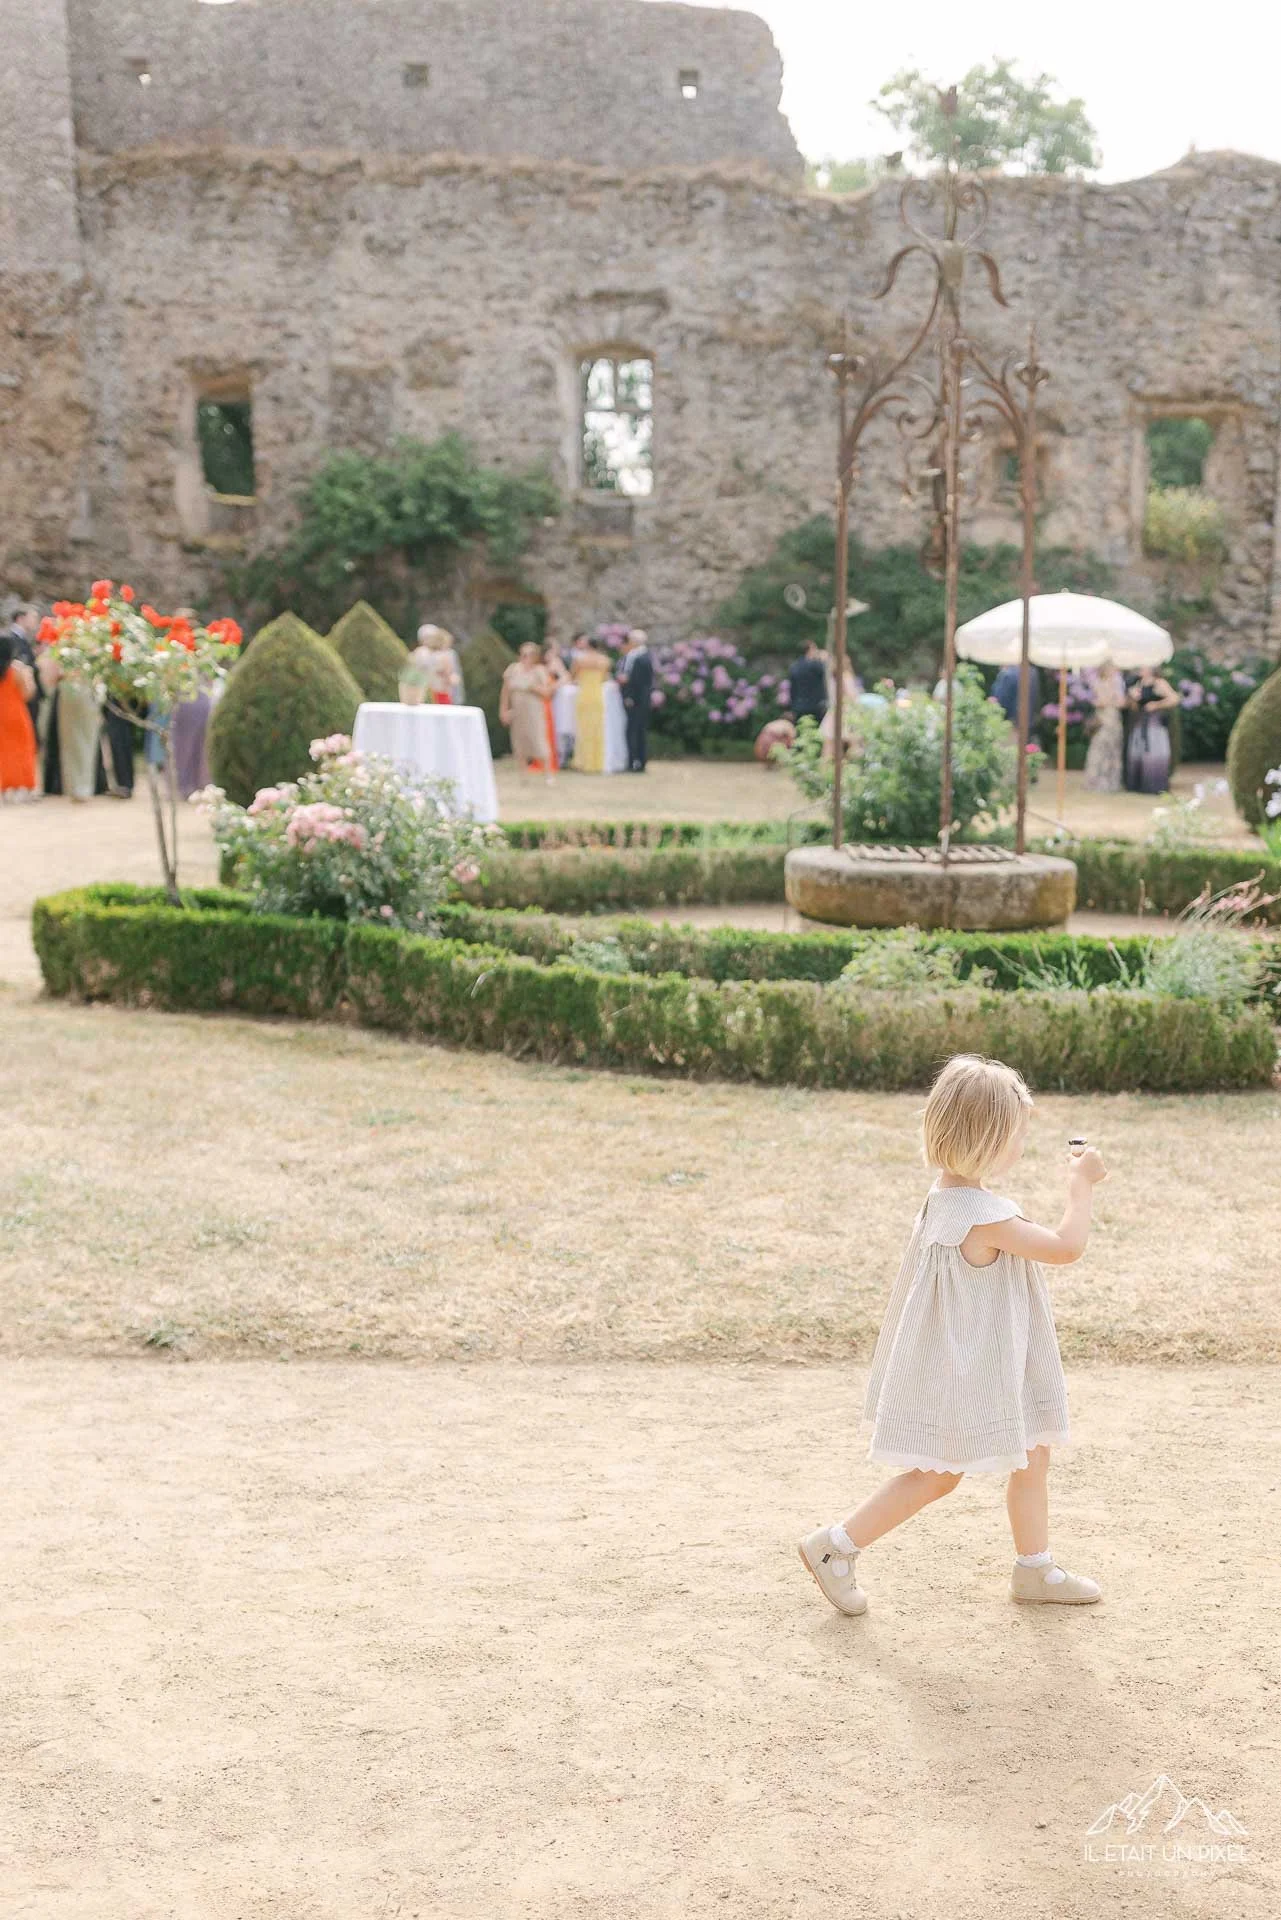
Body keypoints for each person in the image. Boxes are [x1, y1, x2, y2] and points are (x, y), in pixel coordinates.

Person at [798, 1053, 1107, 1617]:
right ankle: (834, 1548)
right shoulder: (983, 1215)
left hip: (990, 1360)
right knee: (938, 1474)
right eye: (1016, 1135)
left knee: (1031, 1453)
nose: (1021, 1146)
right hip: (974, 1369)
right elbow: (1067, 1247)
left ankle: (1034, 1566)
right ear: (988, 1141)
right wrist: (1080, 1185)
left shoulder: (944, 1200)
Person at [499, 641, 553, 774]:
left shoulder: (539, 670)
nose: (525, 658)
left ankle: (548, 773)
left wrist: (532, 686)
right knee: (519, 740)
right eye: (523, 654)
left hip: (534, 710)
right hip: (518, 710)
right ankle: (523, 773)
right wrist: (503, 709)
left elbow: (547, 692)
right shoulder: (513, 669)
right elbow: (505, 692)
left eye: (529, 655)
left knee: (538, 739)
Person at [1125, 665, 1179, 794]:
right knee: (1138, 753)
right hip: (1140, 722)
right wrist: (1132, 698)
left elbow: (1174, 699)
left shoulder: (1159, 682)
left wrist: (1156, 705)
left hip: (1154, 724)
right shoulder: (1138, 683)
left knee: (1154, 753)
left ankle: (1154, 786)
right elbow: (1133, 706)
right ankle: (1138, 785)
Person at [0, 626, 39, 799]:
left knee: (3, 751)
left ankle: (4, 787)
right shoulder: (17, 669)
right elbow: (28, 693)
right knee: (23, 749)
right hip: (16, 712)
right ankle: (23, 786)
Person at [570, 632, 612, 774]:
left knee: (583, 729)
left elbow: (573, 676)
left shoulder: (580, 660)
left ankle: (583, 762)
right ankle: (596, 763)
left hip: (584, 695)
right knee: (597, 729)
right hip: (597, 696)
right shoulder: (605, 660)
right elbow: (605, 678)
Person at [1083, 661, 1125, 794]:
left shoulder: (1117, 684)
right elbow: (1101, 701)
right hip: (1102, 720)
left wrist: (1114, 696)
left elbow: (1121, 703)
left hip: (1114, 720)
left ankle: (1112, 783)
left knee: (1113, 751)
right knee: (1099, 750)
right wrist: (1111, 696)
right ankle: (1096, 782)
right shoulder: (1098, 683)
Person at [4, 606, 43, 748]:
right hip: (17, 699)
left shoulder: (23, 640)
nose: (35, 622)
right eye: (32, 617)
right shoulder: (11, 639)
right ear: (21, 618)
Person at [618, 629, 653, 773]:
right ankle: (637, 761)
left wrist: (629, 696)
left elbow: (638, 682)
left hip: (638, 701)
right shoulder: (639, 656)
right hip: (639, 700)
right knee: (636, 731)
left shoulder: (641, 658)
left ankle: (636, 762)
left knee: (634, 731)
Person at [413, 624, 462, 705]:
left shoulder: (419, 652)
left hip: (426, 694)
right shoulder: (443, 656)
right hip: (439, 694)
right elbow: (449, 677)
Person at [786, 637, 828, 727]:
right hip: (816, 707)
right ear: (810, 649)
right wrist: (823, 659)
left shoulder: (794, 666)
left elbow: (792, 690)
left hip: (799, 706)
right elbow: (827, 673)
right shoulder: (815, 665)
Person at [990, 660, 1042, 730]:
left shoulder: (1008, 674)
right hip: (1028, 725)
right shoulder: (1033, 672)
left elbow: (1000, 703)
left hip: (1010, 726)